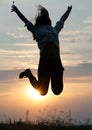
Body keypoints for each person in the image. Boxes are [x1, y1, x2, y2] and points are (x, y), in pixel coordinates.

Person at [11, 3, 72, 96]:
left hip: (55, 65)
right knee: (43, 92)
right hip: (45, 64)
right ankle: (29, 74)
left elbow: (62, 20)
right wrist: (16, 10)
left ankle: (30, 74)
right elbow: (25, 20)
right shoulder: (38, 30)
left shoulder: (54, 30)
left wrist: (68, 11)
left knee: (57, 91)